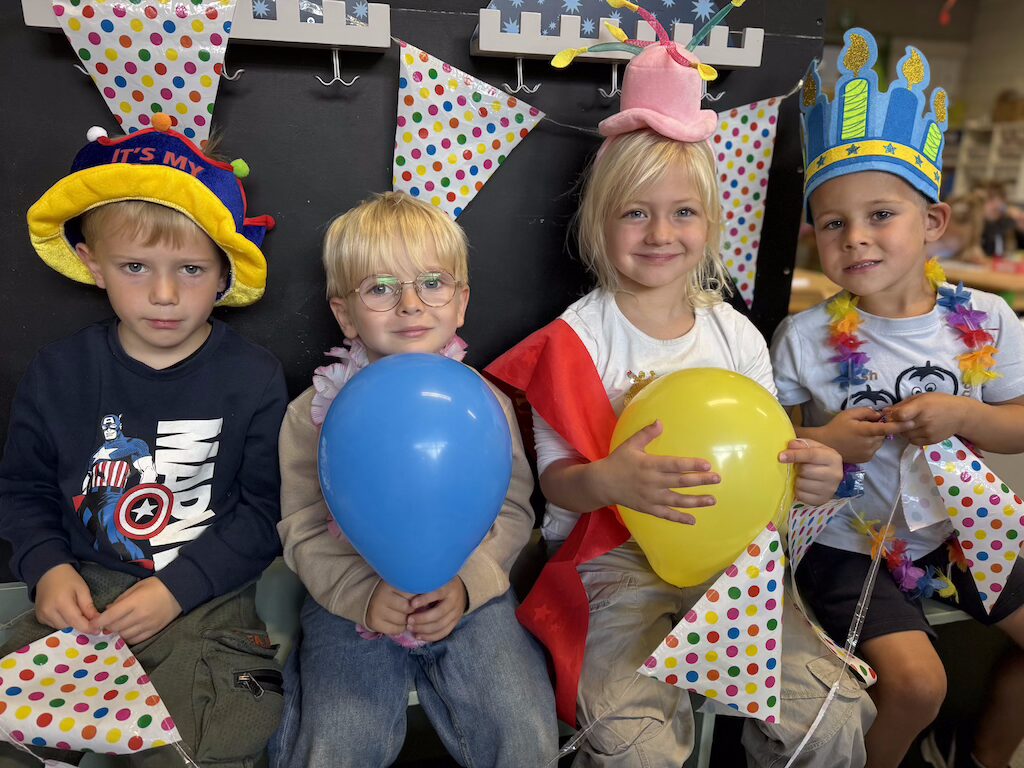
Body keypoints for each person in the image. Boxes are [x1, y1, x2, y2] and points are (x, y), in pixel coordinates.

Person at [486, 12, 876, 767]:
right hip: (612, 563)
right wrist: (612, 480)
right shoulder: (578, 339)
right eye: (635, 213)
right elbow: (557, 482)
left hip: (736, 563)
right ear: (600, 223)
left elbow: (773, 456)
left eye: (683, 213)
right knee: (635, 745)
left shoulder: (734, 335)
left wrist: (814, 474)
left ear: (711, 222)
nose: (660, 233)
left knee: (830, 720)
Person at [772, 29, 1024, 768]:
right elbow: (771, 451)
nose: (856, 238)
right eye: (834, 224)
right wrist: (827, 441)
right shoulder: (804, 337)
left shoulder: (987, 320)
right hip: (847, 546)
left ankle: (975, 755)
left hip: (960, 532)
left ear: (933, 224)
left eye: (881, 214)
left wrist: (967, 416)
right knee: (917, 685)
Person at [0, 120, 287, 766]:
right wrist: (46, 566)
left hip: (206, 599)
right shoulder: (58, 372)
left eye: (190, 269)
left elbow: (265, 510)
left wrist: (180, 588)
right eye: (135, 267)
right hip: (81, 593)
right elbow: (23, 488)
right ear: (92, 263)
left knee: (208, 739)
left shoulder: (253, 377)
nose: (164, 294)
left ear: (223, 272)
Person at [268, 191, 558, 768]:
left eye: (432, 283)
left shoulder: (484, 405)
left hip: (468, 593)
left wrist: (468, 585)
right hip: (350, 598)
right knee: (337, 738)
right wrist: (361, 596)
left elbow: (511, 510)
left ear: (461, 302)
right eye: (380, 288)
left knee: (521, 721)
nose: (410, 305)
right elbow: (302, 526)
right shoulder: (310, 415)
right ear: (345, 314)